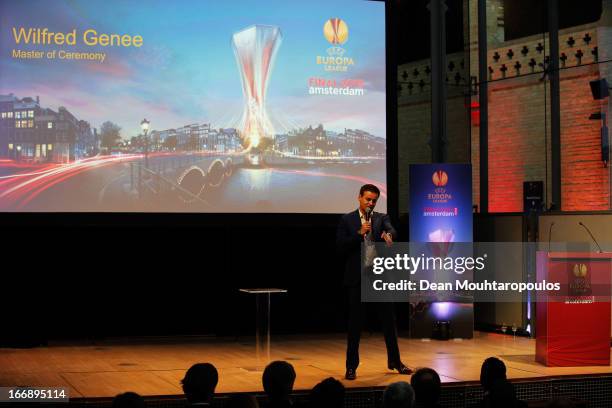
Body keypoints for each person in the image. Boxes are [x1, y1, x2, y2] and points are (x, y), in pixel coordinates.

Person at [336, 184, 412, 380]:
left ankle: (395, 361)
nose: (370, 203)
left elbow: (392, 230)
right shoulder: (347, 219)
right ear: (359, 197)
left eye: (374, 200)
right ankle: (351, 366)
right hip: (357, 278)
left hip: (379, 277)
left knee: (389, 321)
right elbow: (340, 246)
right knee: (355, 324)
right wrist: (358, 234)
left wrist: (389, 236)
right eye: (367, 199)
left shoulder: (381, 218)